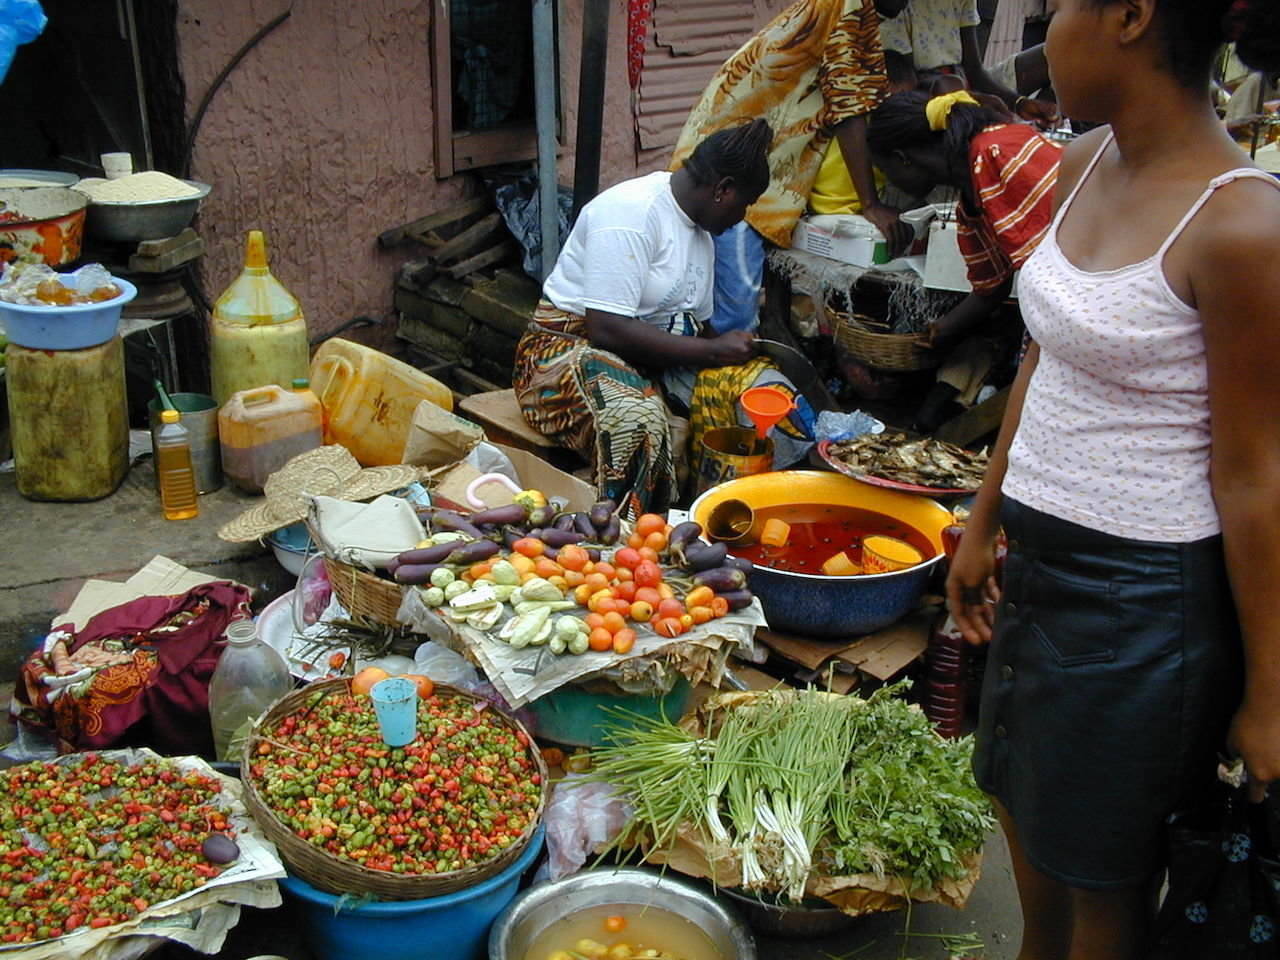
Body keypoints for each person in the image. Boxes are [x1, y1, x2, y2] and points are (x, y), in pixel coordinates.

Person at [945, 0, 1280, 957]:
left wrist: (1270, 692)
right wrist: (981, 524)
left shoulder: (1243, 225)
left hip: (1144, 610)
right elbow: (1043, 359)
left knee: (1101, 889)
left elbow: (1257, 478)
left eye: (1060, 7)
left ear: (1131, 16)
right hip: (1035, 574)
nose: (1044, 31)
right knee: (1029, 844)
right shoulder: (1081, 159)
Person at [514, 120, 814, 515]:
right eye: (746, 204)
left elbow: (698, 325)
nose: (743, 217)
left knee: (769, 391)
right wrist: (711, 353)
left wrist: (733, 357)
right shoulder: (632, 213)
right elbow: (606, 329)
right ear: (722, 189)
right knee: (637, 418)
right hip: (564, 353)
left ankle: (747, 511)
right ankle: (628, 536)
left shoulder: (702, 235)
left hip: (651, 358)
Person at [670, 0, 914, 335]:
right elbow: (848, 108)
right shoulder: (846, 6)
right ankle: (724, 365)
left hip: (760, 161)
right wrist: (870, 204)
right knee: (737, 307)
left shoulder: (855, 12)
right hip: (738, 164)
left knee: (732, 288)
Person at [866, 88, 1061, 426]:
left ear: (903, 158)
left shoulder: (998, 153)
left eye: (885, 170)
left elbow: (1055, 272)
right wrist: (939, 331)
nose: (891, 183)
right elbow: (991, 286)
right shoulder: (970, 194)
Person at [879, 0, 1057, 121]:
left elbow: (975, 70)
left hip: (964, 86)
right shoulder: (895, 7)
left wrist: (1019, 103)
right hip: (927, 101)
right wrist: (975, 100)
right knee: (948, 83)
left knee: (1053, 52)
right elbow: (909, 85)